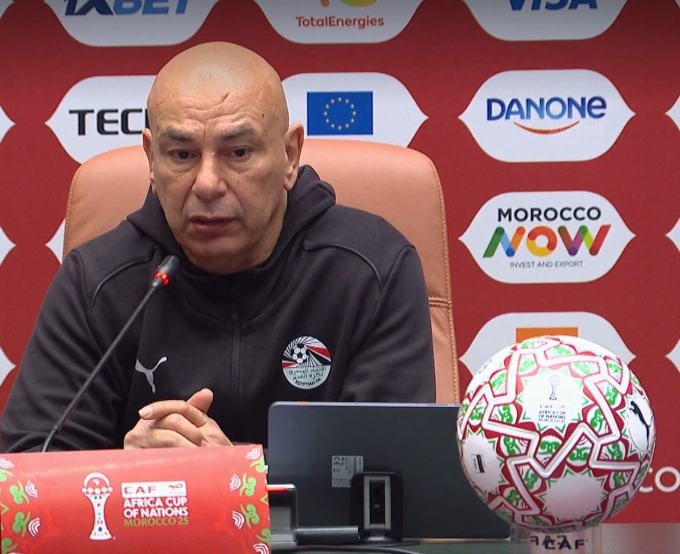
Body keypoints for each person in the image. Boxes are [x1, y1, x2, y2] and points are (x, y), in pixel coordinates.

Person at [0, 42, 435, 452]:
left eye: (238, 152)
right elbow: (30, 470)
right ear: (151, 159)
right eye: (182, 155)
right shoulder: (96, 280)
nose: (207, 184)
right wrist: (128, 475)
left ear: (289, 156)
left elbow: (392, 472)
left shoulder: (373, 269)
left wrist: (233, 480)